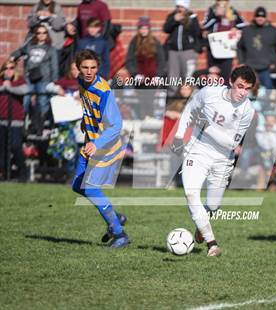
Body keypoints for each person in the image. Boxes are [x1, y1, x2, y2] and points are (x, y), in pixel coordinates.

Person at [171, 65, 256, 256]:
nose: (243, 93)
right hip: (197, 151)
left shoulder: (247, 110)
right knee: (191, 194)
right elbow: (190, 109)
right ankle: (212, 244)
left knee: (213, 205)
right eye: (240, 86)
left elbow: (231, 144)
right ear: (230, 82)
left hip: (223, 159)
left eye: (247, 89)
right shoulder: (209, 93)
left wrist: (206, 127)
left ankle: (201, 226)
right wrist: (178, 135)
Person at [71, 49, 129, 248]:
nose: (89, 71)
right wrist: (86, 123)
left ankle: (120, 235)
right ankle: (114, 217)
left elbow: (116, 125)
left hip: (104, 146)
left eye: (93, 68)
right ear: (78, 68)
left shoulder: (103, 90)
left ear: (98, 68)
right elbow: (90, 110)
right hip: (90, 142)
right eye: (85, 67)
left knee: (91, 188)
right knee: (77, 185)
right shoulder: (81, 81)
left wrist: (96, 144)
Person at [11, 24, 59, 135]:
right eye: (39, 33)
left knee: (42, 102)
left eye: (44, 33)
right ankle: (23, 125)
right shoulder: (29, 46)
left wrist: (54, 82)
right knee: (25, 100)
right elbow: (18, 52)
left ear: (47, 35)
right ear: (35, 34)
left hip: (44, 78)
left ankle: (39, 126)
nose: (41, 35)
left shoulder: (51, 49)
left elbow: (54, 66)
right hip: (29, 77)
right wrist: (13, 58)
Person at [237, 6, 276, 89]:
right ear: (255, 17)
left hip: (267, 68)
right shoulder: (247, 30)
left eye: (262, 16)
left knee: (267, 93)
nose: (260, 18)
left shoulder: (273, 31)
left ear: (265, 17)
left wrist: (275, 62)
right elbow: (239, 47)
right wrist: (241, 62)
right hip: (250, 67)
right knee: (248, 91)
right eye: (258, 16)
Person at [202, 0, 246, 83]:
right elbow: (204, 26)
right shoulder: (211, 10)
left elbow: (243, 25)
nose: (222, 2)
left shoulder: (232, 11)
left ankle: (224, 92)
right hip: (213, 48)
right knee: (212, 73)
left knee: (225, 75)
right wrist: (216, 17)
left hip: (226, 49)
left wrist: (235, 28)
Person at [163, 0, 201, 97]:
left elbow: (197, 33)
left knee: (188, 78)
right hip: (173, 51)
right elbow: (166, 29)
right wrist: (174, 20)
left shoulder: (192, 17)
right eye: (178, 6)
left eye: (182, 7)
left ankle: (190, 100)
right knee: (173, 79)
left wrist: (196, 50)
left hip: (188, 51)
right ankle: (172, 101)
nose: (180, 9)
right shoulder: (172, 16)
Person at [0, 60, 29, 181]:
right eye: (6, 68)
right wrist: (4, 86)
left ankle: (23, 173)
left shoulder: (19, 81)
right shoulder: (1, 81)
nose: (9, 70)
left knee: (16, 146)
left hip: (16, 120)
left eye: (11, 68)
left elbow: (24, 90)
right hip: (1, 120)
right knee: (2, 148)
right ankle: (4, 173)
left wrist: (9, 87)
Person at [126, 17, 166, 84]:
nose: (143, 30)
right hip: (139, 78)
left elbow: (161, 59)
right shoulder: (134, 42)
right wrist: (135, 74)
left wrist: (158, 75)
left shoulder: (155, 42)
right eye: (141, 28)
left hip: (153, 78)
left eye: (146, 28)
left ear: (149, 29)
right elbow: (129, 60)